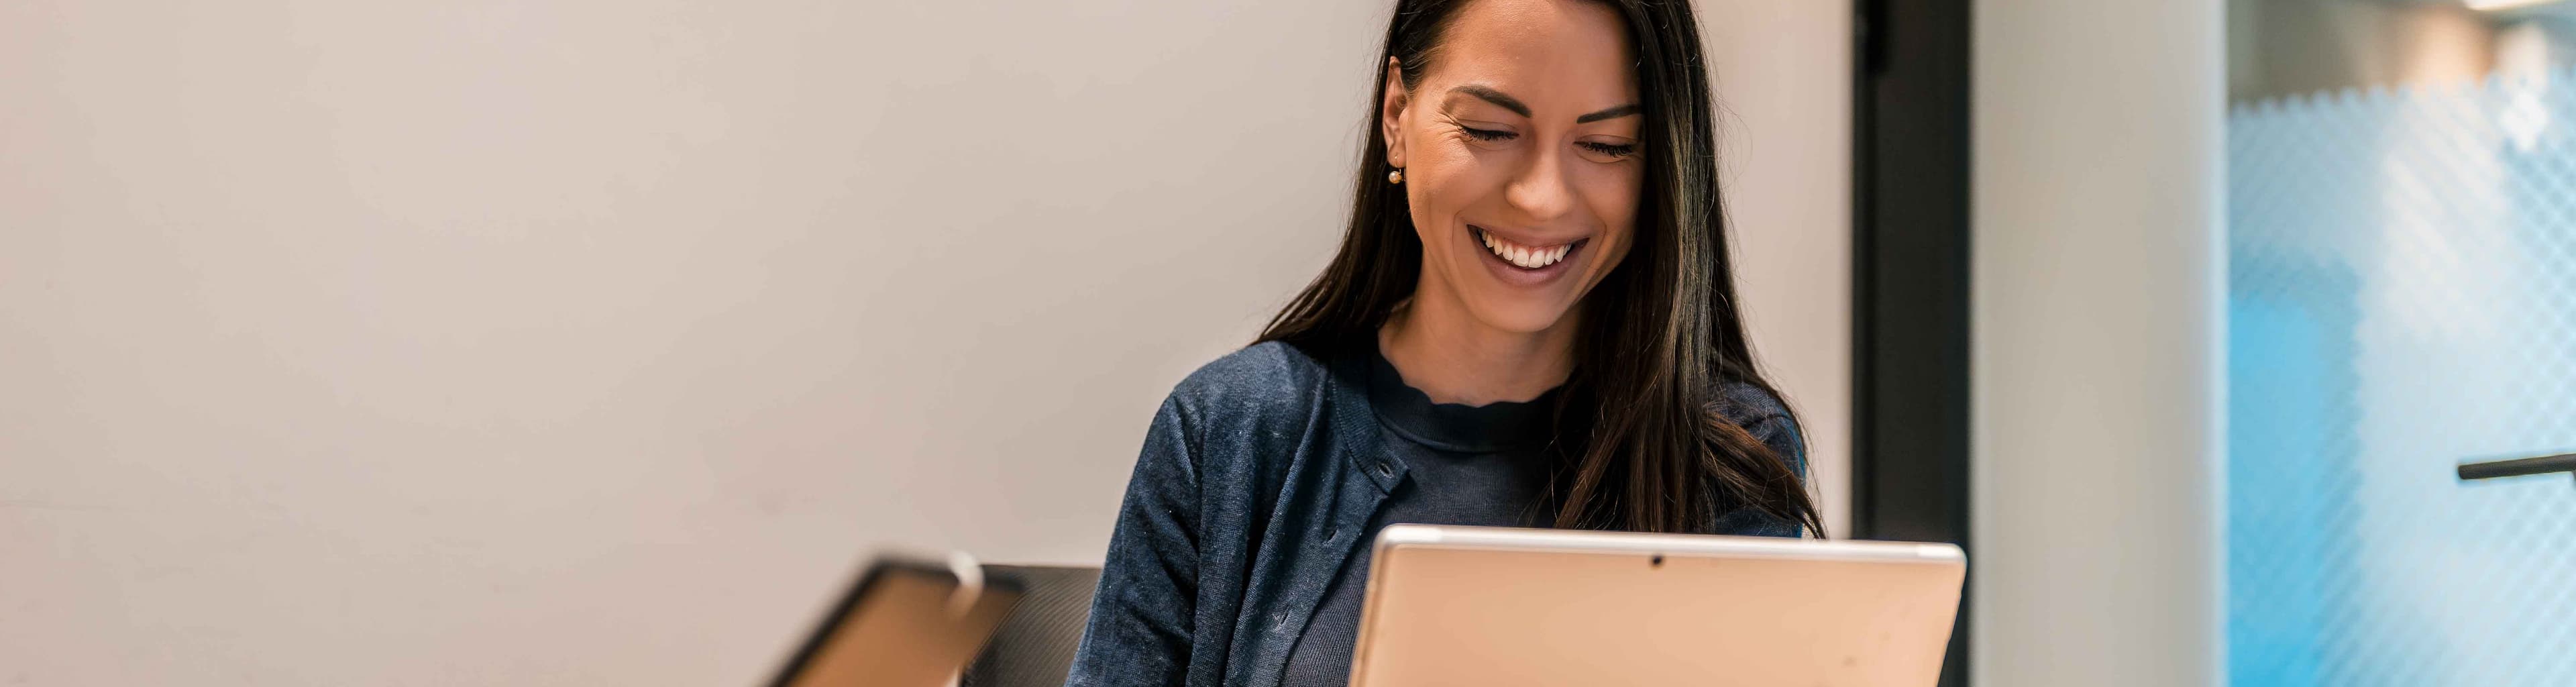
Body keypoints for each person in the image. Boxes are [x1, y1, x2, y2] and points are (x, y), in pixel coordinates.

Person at [1064, 1, 1819, 684]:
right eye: (1490, 131)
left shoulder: (1724, 457)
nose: (1542, 197)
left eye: (1608, 144)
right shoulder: (1228, 431)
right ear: (1398, 113)